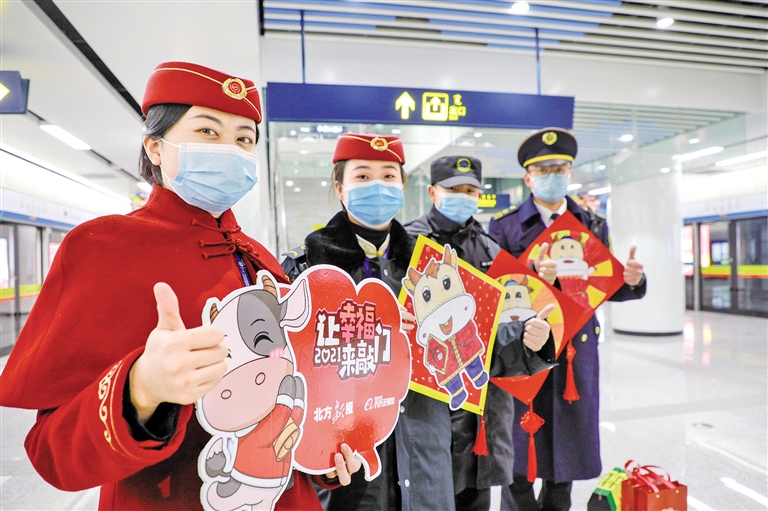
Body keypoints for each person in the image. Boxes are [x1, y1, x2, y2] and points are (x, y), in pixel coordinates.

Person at [0, 61, 359, 511]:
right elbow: (52, 454)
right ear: (154, 146)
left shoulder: (260, 259)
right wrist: (140, 390)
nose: (230, 150)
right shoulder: (102, 247)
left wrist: (321, 456)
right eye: (208, 132)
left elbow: (289, 391)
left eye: (244, 139)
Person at [282, 133, 454, 511]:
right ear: (340, 189)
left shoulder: (432, 268)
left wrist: (528, 341)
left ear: (403, 187)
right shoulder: (307, 268)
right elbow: (286, 364)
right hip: (343, 461)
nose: (378, 185)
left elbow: (471, 340)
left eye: (389, 176)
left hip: (425, 453)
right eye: (362, 176)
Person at [489, 128, 647, 511]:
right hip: (522, 350)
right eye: (542, 170)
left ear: (570, 173)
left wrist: (631, 281)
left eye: (559, 168)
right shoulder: (505, 226)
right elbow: (494, 291)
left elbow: (603, 285)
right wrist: (529, 273)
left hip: (574, 354)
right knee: (519, 450)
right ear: (528, 178)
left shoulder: (592, 223)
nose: (552, 176)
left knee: (567, 449)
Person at [403, 155, 513, 511]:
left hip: (483, 397)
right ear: (433, 192)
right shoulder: (409, 243)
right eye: (454, 189)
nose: (463, 196)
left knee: (476, 492)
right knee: (432, 489)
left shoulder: (490, 247)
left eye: (470, 190)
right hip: (432, 390)